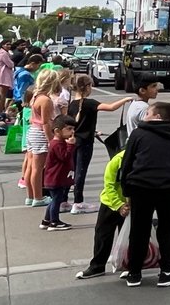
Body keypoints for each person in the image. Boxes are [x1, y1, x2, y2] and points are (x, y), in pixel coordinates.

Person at [119, 101, 170, 287]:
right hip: (169, 187)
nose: (145, 116)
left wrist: (126, 189)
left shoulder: (138, 134)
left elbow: (127, 163)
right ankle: (167, 271)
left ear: (157, 117)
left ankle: (134, 273)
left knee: (139, 229)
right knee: (168, 227)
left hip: (141, 186)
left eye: (148, 113)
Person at [67, 74, 131, 214]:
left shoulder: (72, 103)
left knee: (73, 170)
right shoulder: (89, 103)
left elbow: (78, 124)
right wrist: (125, 99)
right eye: (90, 85)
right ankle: (78, 202)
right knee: (81, 172)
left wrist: (93, 131)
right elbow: (110, 107)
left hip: (75, 140)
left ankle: (65, 199)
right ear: (87, 87)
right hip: (85, 142)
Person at [75, 146, 130, 279]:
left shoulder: (142, 161)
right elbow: (109, 185)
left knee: (129, 237)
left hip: (130, 204)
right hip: (110, 203)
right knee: (103, 235)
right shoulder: (117, 161)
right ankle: (97, 266)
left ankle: (129, 266)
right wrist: (119, 205)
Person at [24, 69, 61, 207]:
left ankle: (30, 196)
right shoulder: (46, 100)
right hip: (40, 133)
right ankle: (38, 197)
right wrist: (51, 140)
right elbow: (46, 122)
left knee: (31, 166)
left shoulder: (35, 96)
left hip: (33, 130)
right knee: (38, 168)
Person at [41, 114, 77, 231]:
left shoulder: (58, 143)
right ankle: (54, 222)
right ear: (57, 131)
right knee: (57, 200)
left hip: (57, 177)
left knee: (54, 200)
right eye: (69, 129)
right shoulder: (57, 144)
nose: (72, 132)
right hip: (55, 178)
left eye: (73, 129)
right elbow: (65, 157)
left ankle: (47, 220)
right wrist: (70, 145)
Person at [124, 77, 161, 145]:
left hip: (133, 143)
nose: (157, 89)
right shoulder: (144, 108)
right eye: (153, 86)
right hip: (141, 145)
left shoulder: (135, 103)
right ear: (142, 91)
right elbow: (150, 130)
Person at [0, 40, 13, 119]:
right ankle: (0, 111)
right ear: (2, 45)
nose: (9, 46)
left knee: (0, 94)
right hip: (3, 77)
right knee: (2, 95)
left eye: (10, 44)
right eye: (7, 44)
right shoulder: (4, 54)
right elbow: (10, 64)